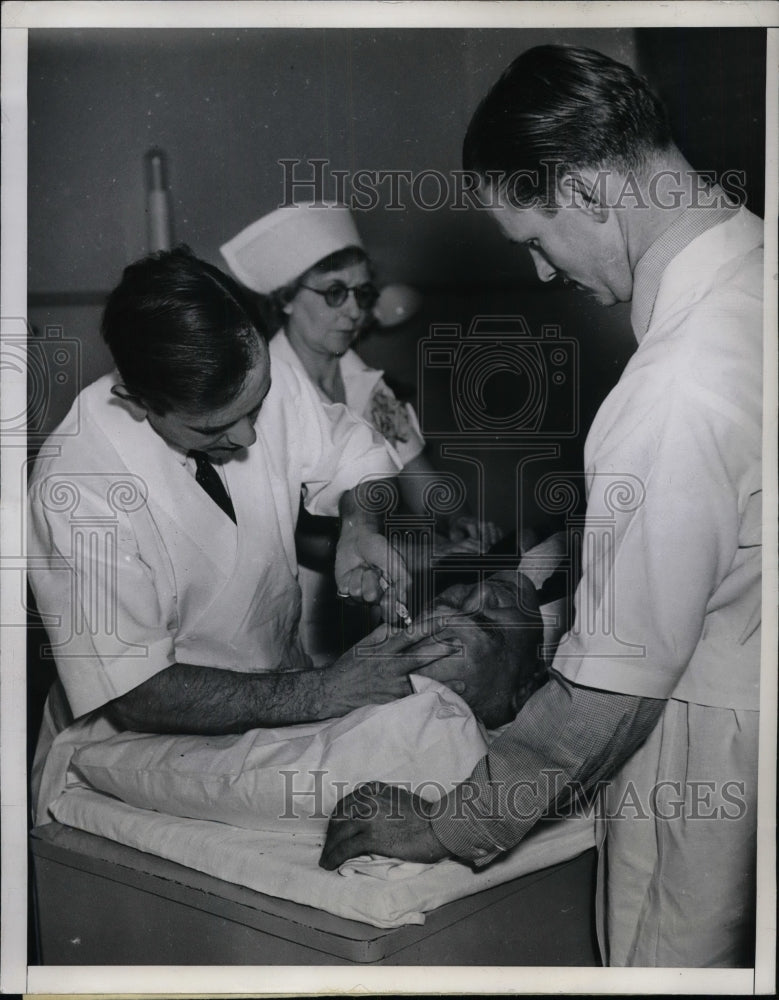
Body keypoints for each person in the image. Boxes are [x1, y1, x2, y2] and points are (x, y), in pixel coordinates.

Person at [319, 45, 763, 969]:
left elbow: (602, 702)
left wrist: (444, 827)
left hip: (712, 757)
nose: (541, 274)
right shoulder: (753, 280)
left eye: (534, 237)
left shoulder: (672, 391)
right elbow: (698, 517)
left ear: (594, 190)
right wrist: (531, 574)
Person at [28, 246, 466, 824]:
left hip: (280, 707)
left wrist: (358, 527)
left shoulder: (255, 370)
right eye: (213, 428)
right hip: (135, 745)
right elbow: (138, 691)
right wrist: (323, 693)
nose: (248, 439)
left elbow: (356, 448)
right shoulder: (79, 487)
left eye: (255, 408)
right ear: (135, 400)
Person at [221, 203, 504, 660]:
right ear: (287, 297)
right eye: (335, 293)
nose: (354, 311)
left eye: (361, 292)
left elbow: (420, 479)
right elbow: (277, 529)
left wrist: (459, 521)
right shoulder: (262, 394)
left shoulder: (368, 387)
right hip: (288, 605)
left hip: (373, 587)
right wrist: (411, 553)